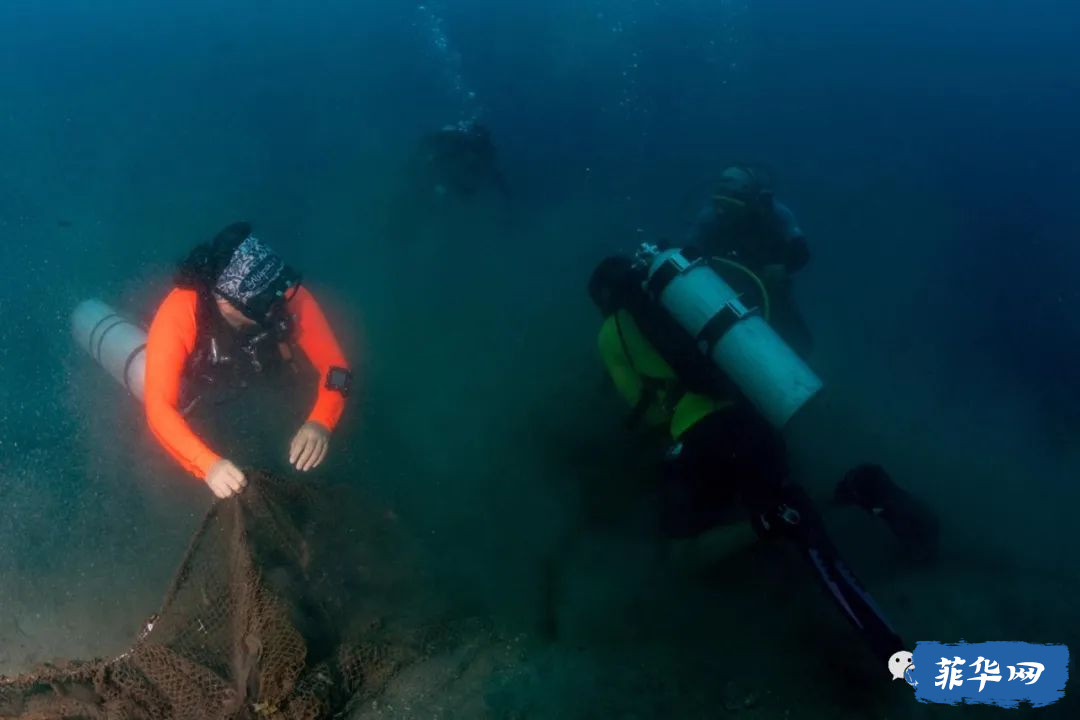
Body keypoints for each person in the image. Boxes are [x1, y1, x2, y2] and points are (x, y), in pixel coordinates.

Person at [587, 245, 938, 661]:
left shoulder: (611, 332)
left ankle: (777, 518)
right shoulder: (685, 301)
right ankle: (852, 490)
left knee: (679, 556)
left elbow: (643, 413)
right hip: (755, 421)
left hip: (700, 438)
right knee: (784, 502)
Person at [145, 222, 353, 499]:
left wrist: (320, 422)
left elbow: (337, 370)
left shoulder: (283, 293)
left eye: (275, 290)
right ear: (226, 301)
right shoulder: (180, 312)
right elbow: (158, 408)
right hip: (209, 401)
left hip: (272, 389)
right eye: (263, 300)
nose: (276, 303)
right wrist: (209, 465)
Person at [688, 165, 813, 356]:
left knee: (794, 340)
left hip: (768, 287)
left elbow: (801, 251)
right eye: (720, 205)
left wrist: (783, 267)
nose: (723, 212)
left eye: (732, 205)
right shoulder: (709, 219)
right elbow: (690, 251)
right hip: (722, 285)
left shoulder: (777, 215)